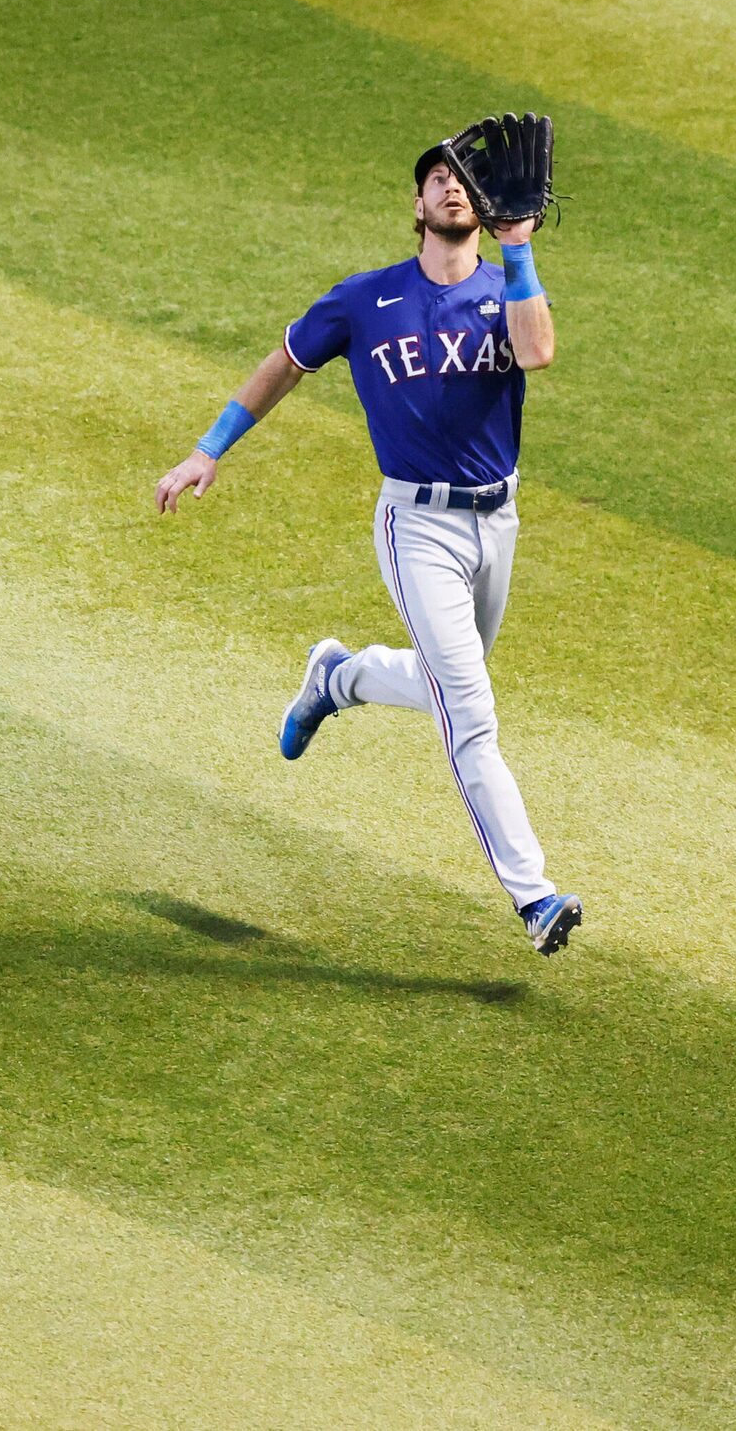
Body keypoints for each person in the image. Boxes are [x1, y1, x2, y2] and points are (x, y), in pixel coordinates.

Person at [152, 130, 581, 955]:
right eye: (436, 181)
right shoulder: (364, 300)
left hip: (498, 520)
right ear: (415, 206)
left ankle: (337, 677)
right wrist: (208, 447)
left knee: (446, 684)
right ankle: (534, 897)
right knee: (471, 712)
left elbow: (538, 353)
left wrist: (520, 248)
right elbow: (283, 363)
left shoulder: (506, 289)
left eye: (464, 182)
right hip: (415, 525)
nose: (452, 190)